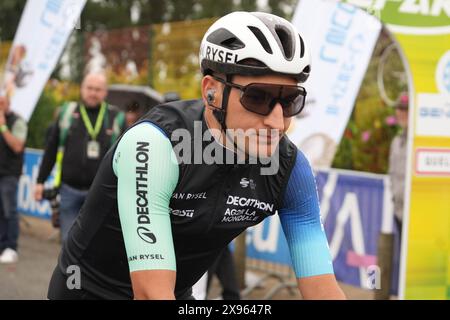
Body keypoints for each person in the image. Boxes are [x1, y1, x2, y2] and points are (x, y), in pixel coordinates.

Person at [47, 12, 345, 300]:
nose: (277, 122)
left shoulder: (290, 168)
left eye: (290, 101)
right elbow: (150, 293)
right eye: (258, 97)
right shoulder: (155, 144)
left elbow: (322, 287)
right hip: (88, 292)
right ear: (211, 91)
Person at [34, 73, 125, 242]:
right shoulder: (67, 114)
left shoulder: (115, 118)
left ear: (105, 92)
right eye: (89, 88)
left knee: (95, 245)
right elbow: (51, 150)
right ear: (82, 89)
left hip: (101, 193)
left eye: (98, 89)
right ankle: (71, 270)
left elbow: (126, 157)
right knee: (69, 244)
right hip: (69, 190)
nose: (93, 93)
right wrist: (40, 181)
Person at [0, 95, 28, 264]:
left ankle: (11, 247)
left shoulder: (17, 121)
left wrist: (3, 126)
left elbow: (17, 146)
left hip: (9, 174)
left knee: (9, 210)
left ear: (9, 103)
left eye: (2, 102)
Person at [388, 92, 409, 234]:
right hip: (399, 210)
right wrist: (395, 197)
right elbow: (392, 173)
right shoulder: (396, 141)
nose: (400, 112)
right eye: (399, 108)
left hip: (415, 211)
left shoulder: (419, 142)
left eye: (405, 108)